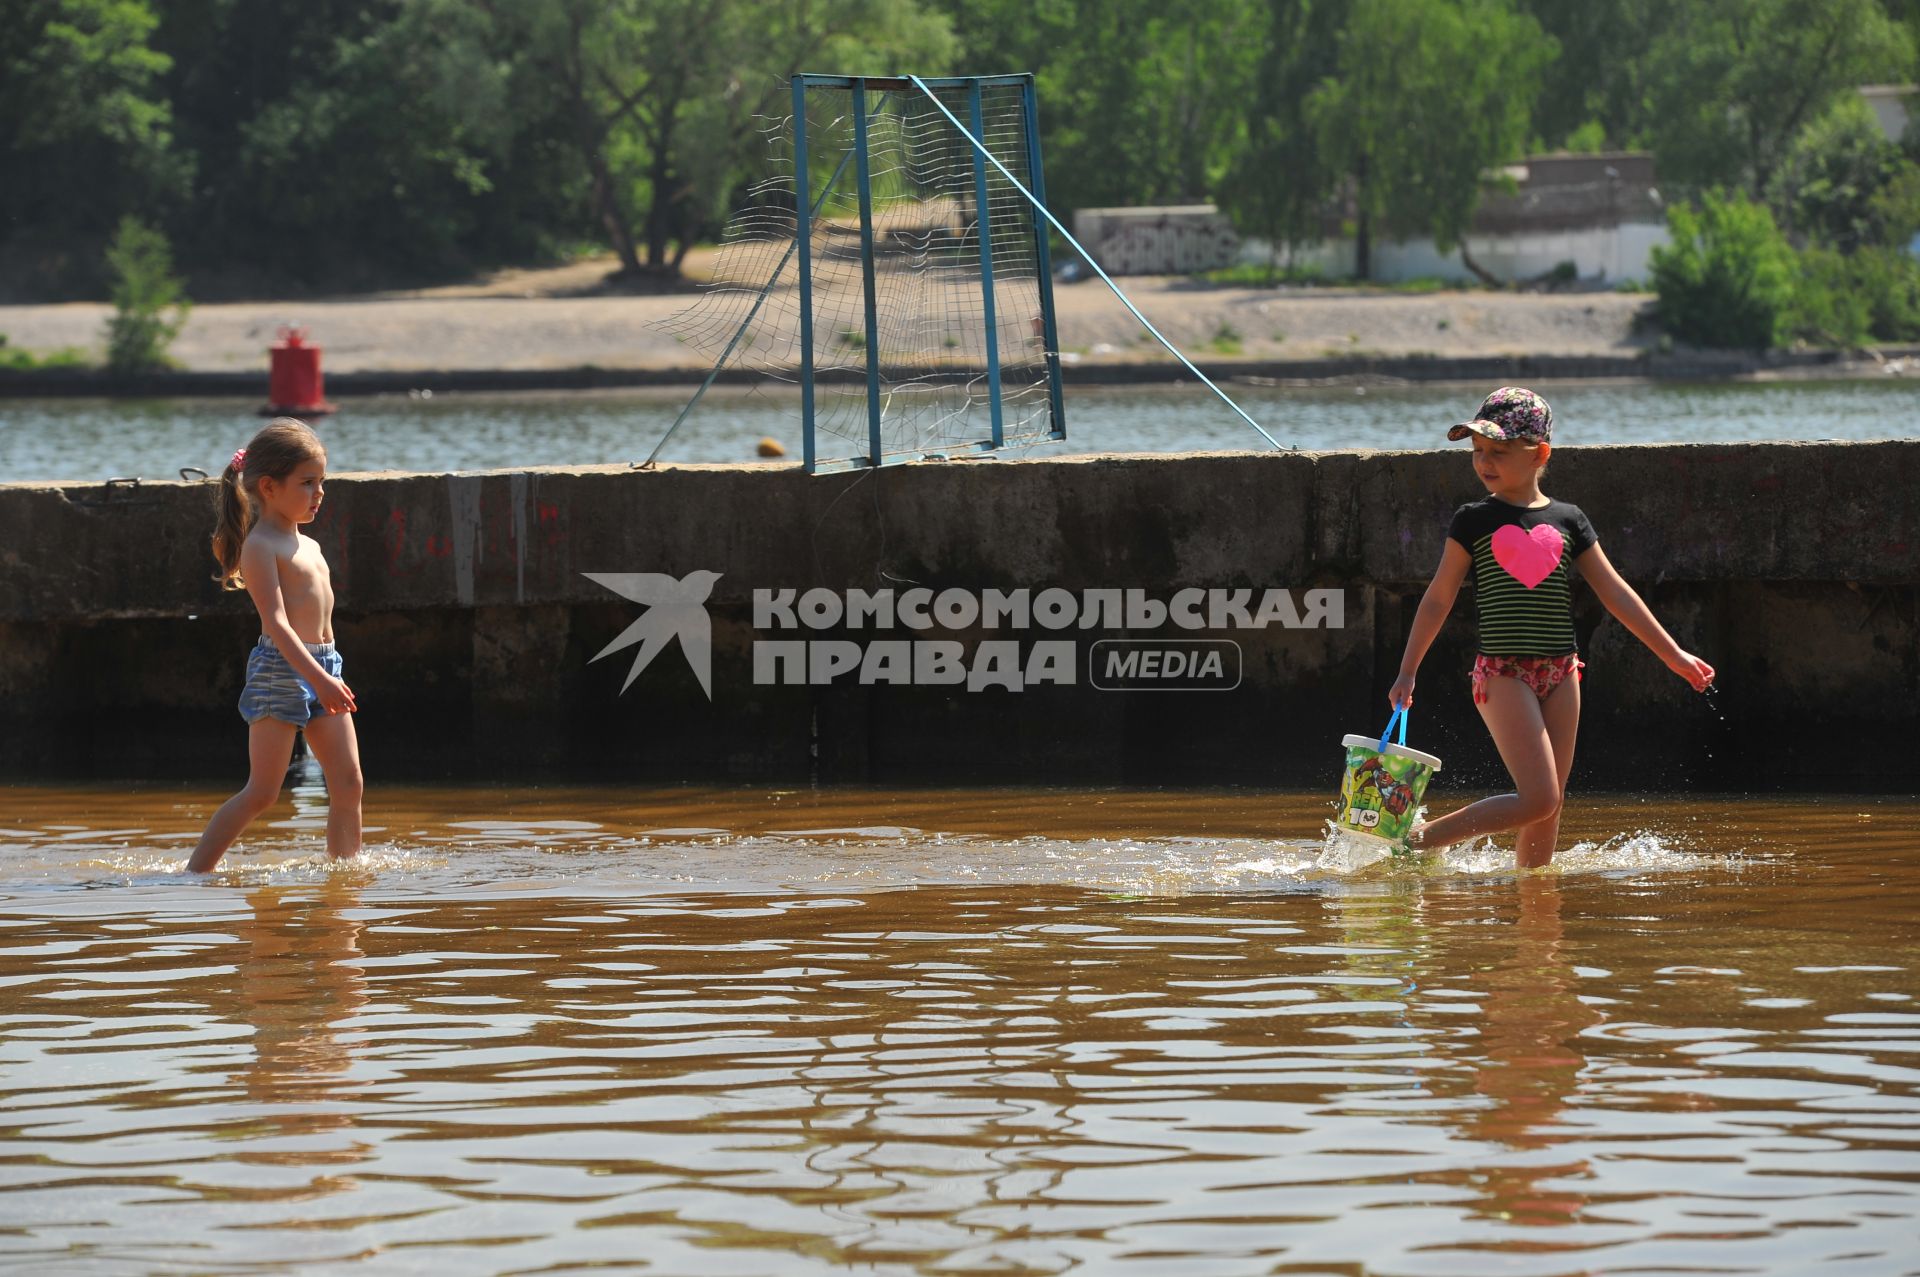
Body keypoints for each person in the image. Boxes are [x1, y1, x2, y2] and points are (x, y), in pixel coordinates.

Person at [1388, 387, 1713, 868]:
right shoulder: (1473, 521)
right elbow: (1439, 598)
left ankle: (1538, 926)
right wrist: (1407, 671)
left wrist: (1674, 656)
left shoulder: (1568, 520)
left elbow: (1615, 592)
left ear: (1539, 453)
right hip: (1502, 672)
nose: (1484, 462)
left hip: (1562, 672)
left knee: (1548, 812)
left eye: (1498, 451)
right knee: (1538, 798)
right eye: (1477, 451)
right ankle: (1414, 841)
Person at [185, 419, 362, 871]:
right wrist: (320, 680)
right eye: (307, 483)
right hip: (281, 671)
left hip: (326, 666)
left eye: (322, 482)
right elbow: (277, 624)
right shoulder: (260, 546)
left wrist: (327, 675)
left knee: (348, 784)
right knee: (263, 792)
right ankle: (195, 873)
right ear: (269, 486)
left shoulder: (311, 545)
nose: (319, 493)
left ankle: (345, 876)